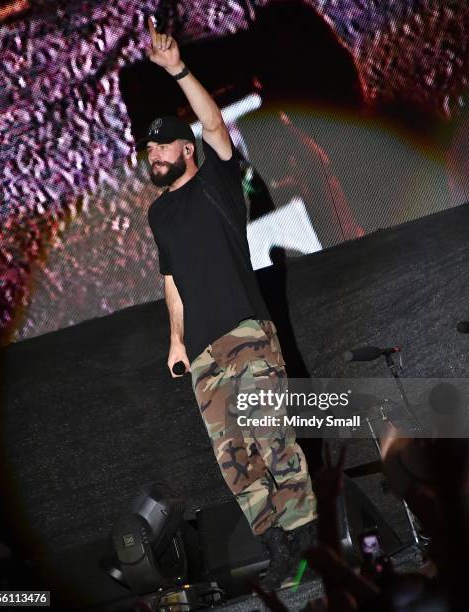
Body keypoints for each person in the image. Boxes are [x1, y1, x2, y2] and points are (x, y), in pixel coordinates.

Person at [144, 16, 317, 589]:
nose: (154, 154)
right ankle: (277, 546)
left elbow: (215, 123)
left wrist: (179, 71)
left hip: (246, 334)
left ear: (186, 149)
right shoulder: (159, 213)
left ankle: (312, 544)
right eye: (149, 147)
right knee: (235, 461)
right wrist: (175, 339)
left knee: (274, 439)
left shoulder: (214, 181)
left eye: (164, 143)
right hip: (202, 353)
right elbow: (172, 278)